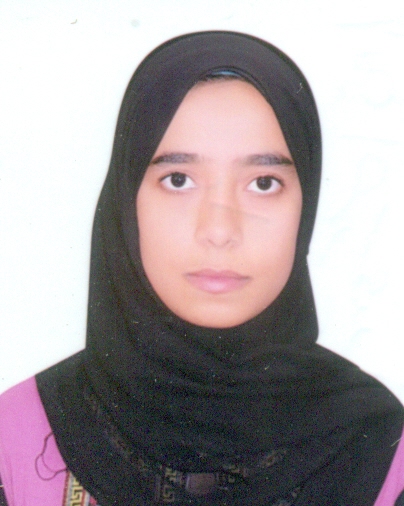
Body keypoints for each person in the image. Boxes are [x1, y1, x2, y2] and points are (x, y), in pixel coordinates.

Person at [0, 30, 403, 506]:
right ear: (126, 202)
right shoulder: (15, 437)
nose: (219, 229)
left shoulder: (383, 449)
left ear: (306, 205)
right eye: (178, 179)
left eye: (263, 183)